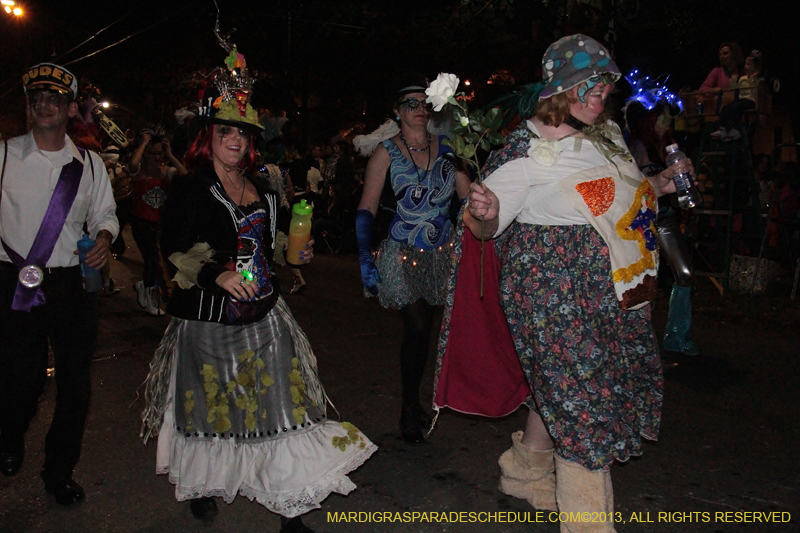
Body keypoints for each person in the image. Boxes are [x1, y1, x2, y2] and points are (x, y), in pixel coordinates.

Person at [141, 49, 376, 532]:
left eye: (241, 132)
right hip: (209, 318)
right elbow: (175, 250)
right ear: (208, 137)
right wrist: (217, 276)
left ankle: (289, 506)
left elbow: (274, 248)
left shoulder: (266, 189)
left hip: (266, 314)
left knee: (281, 405)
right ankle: (205, 484)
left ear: (252, 140)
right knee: (211, 405)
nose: (233, 139)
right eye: (224, 130)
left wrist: (297, 258)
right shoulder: (190, 189)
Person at [461, 35, 684, 530]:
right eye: (592, 88)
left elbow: (622, 199)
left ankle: (523, 473)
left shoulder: (604, 136)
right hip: (549, 290)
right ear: (563, 90)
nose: (601, 98)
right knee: (583, 402)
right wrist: (488, 213)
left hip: (609, 289)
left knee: (567, 387)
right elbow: (480, 227)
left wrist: (661, 184)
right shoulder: (524, 152)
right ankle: (587, 522)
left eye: (605, 89)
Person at [0, 62, 119, 505]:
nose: (44, 105)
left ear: (71, 109)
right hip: (14, 282)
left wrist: (105, 238)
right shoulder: (5, 155)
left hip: (70, 284)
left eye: (54, 98)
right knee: (19, 380)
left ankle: (59, 471)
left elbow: (106, 214)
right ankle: (10, 434)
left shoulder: (88, 165)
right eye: (36, 99)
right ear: (29, 108)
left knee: (75, 384)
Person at [355, 77, 470, 444]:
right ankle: (408, 406)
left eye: (424, 103)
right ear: (396, 111)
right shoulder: (385, 152)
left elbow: (468, 200)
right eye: (410, 104)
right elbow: (367, 208)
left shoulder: (450, 147)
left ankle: (416, 399)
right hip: (401, 253)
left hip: (442, 253)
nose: (419, 109)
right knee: (417, 327)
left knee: (426, 333)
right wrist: (363, 259)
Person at [627, 100, 701, 357]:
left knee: (686, 273)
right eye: (662, 117)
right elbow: (635, 183)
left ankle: (675, 337)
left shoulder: (670, 148)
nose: (667, 121)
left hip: (667, 218)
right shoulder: (638, 146)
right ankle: (642, 347)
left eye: (669, 117)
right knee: (645, 282)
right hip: (645, 220)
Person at [128, 126, 188, 315]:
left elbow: (185, 175)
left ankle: (146, 288)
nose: (157, 157)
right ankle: (148, 295)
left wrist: (170, 154)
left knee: (160, 261)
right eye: (152, 153)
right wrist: (144, 143)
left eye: (159, 153)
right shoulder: (139, 172)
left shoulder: (165, 171)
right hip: (141, 221)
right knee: (151, 260)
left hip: (159, 224)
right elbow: (132, 163)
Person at [710, 50, 766, 141]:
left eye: (749, 64)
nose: (746, 67)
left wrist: (754, 76)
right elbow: (735, 88)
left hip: (751, 100)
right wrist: (733, 79)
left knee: (737, 107)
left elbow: (761, 94)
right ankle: (722, 128)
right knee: (727, 108)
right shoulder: (743, 78)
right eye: (745, 64)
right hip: (741, 99)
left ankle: (735, 129)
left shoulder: (759, 80)